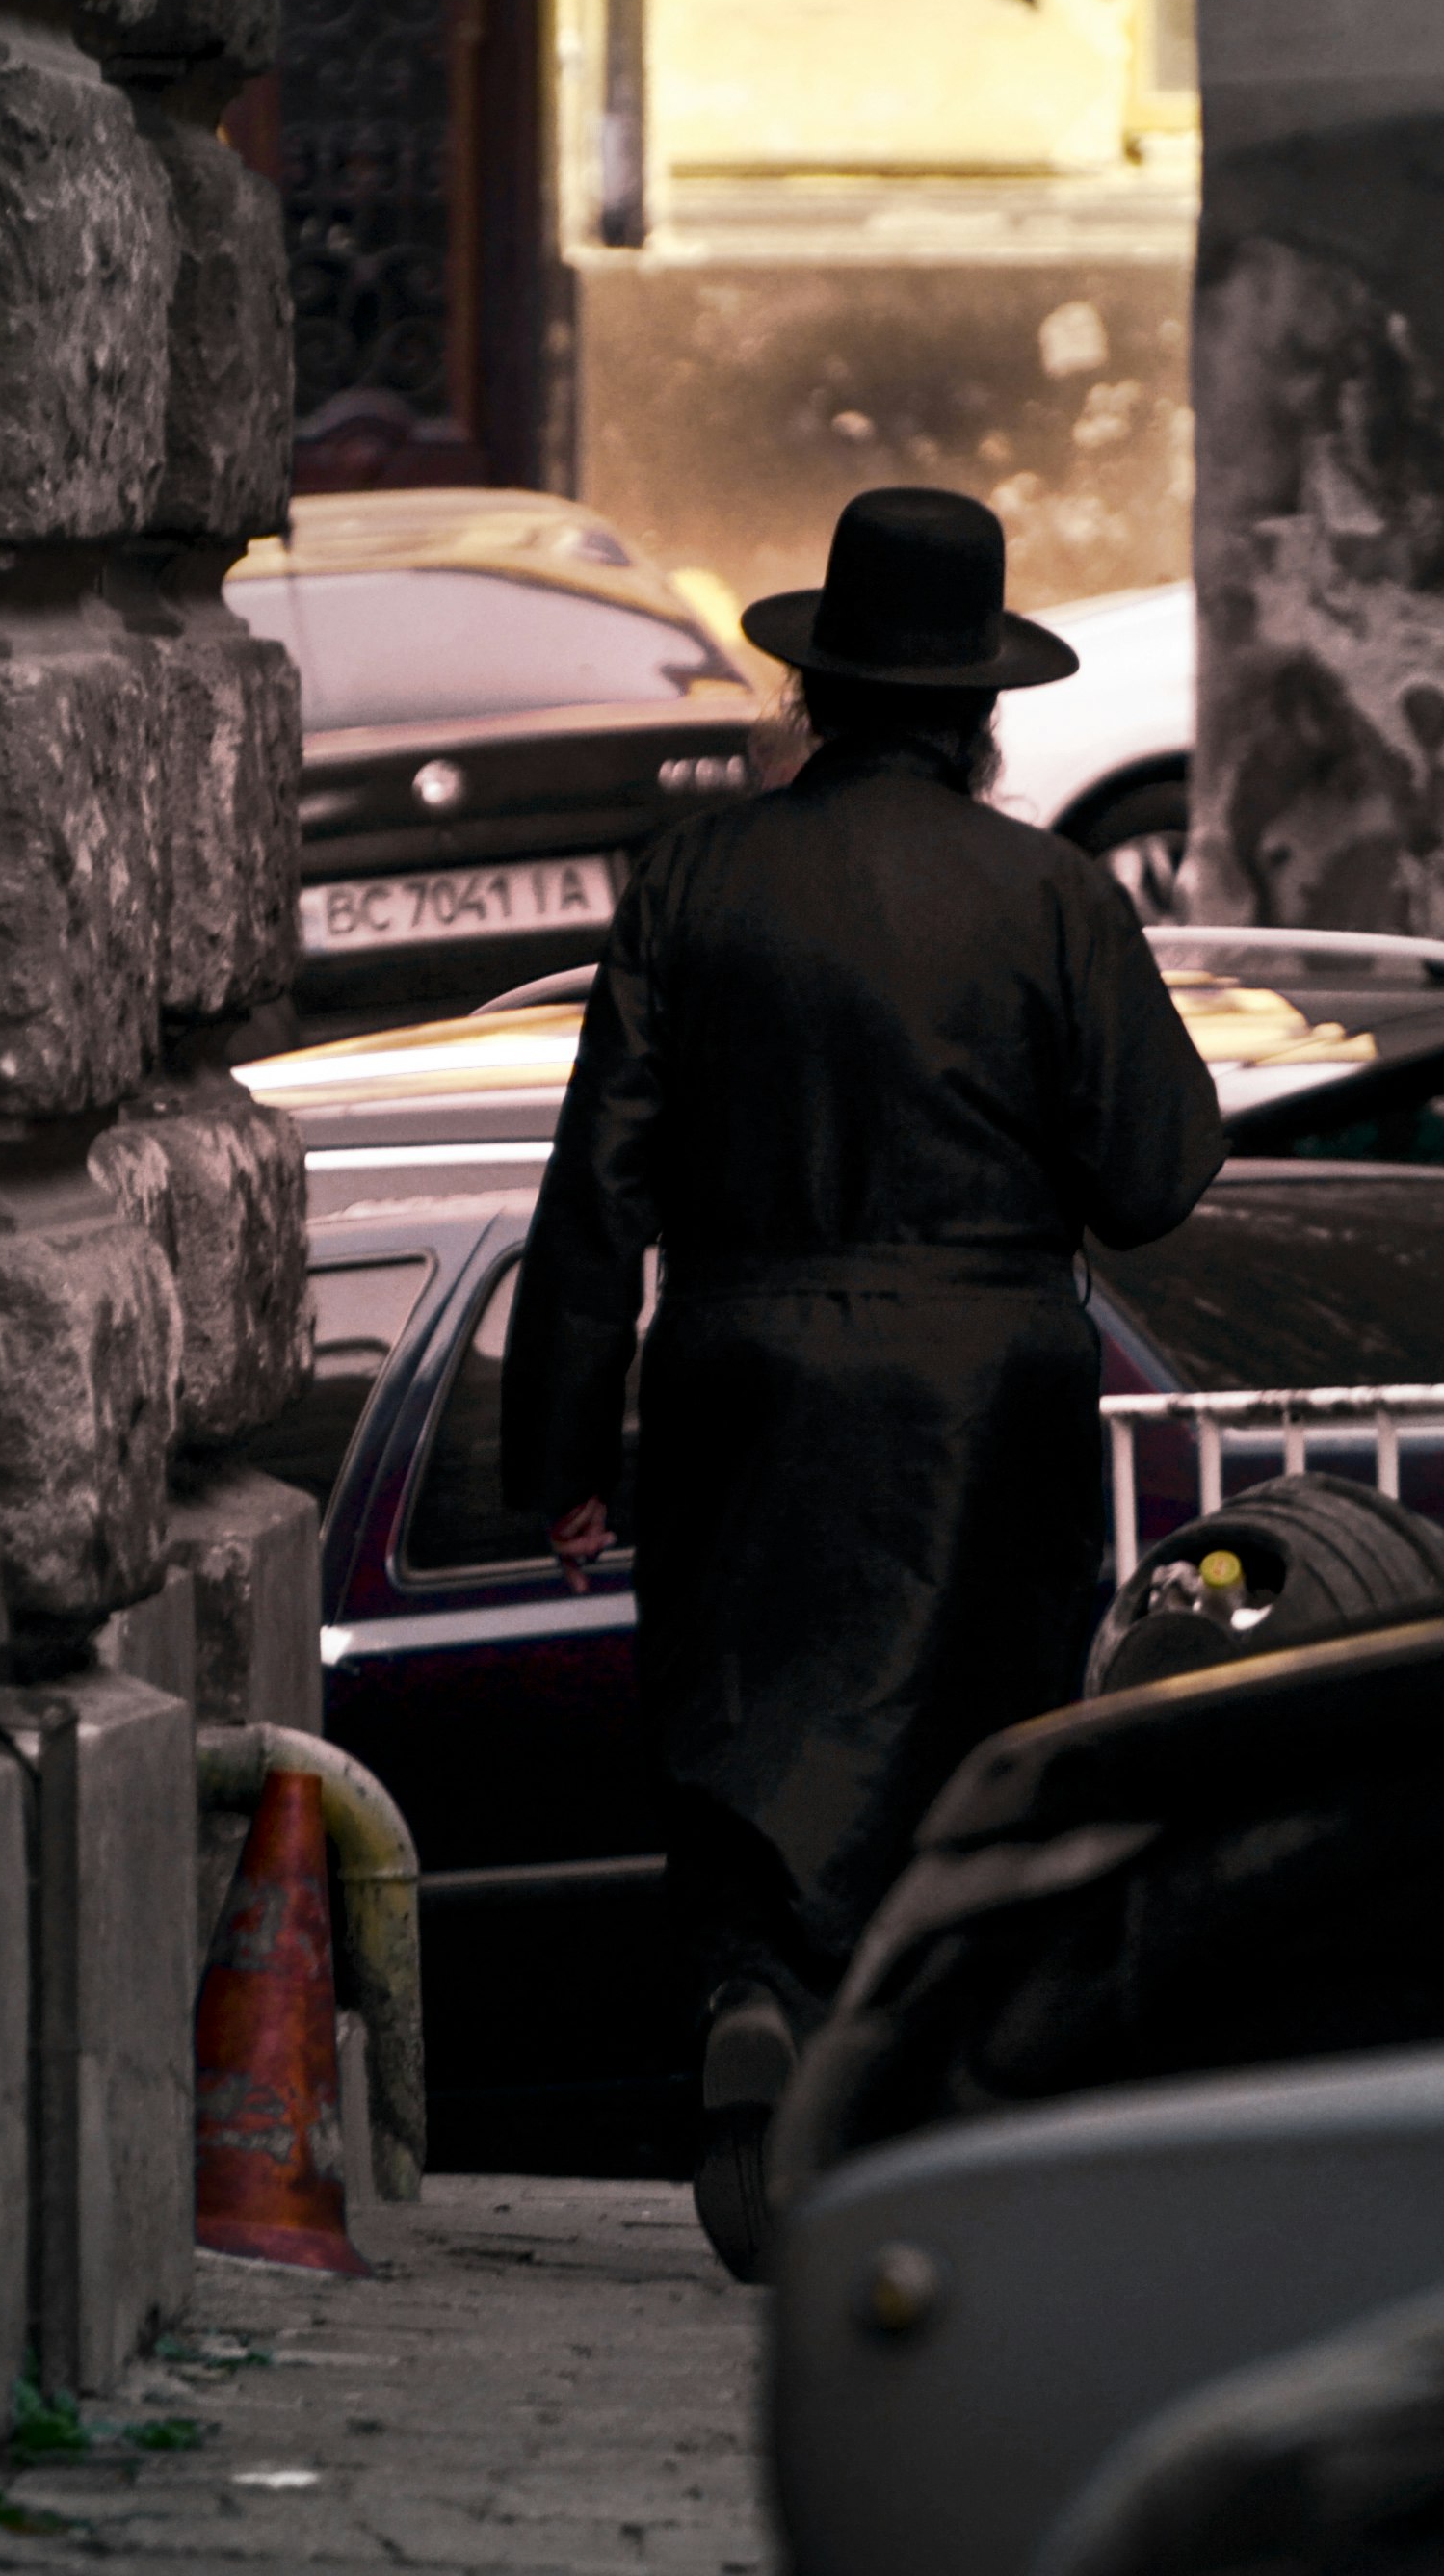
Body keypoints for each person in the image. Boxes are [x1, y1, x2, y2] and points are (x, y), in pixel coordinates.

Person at [503, 486, 1224, 2279]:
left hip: (743, 1368)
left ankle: (759, 1995)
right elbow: (1152, 1175)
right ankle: (904, 2113)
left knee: (751, 1720)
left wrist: (564, 1452)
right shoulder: (1053, 895)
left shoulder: (691, 883)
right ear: (983, 712)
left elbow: (593, 1193)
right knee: (960, 1742)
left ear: (814, 691)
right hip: (986, 1392)